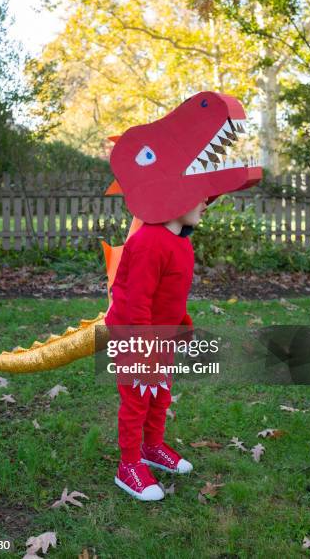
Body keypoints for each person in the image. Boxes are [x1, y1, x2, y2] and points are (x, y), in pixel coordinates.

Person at [105, 199, 208, 501]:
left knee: (160, 396)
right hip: (136, 335)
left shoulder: (180, 243)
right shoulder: (149, 242)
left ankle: (151, 447)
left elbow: (171, 295)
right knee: (136, 402)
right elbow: (136, 302)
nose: (204, 203)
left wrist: (182, 323)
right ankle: (129, 466)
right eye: (198, 196)